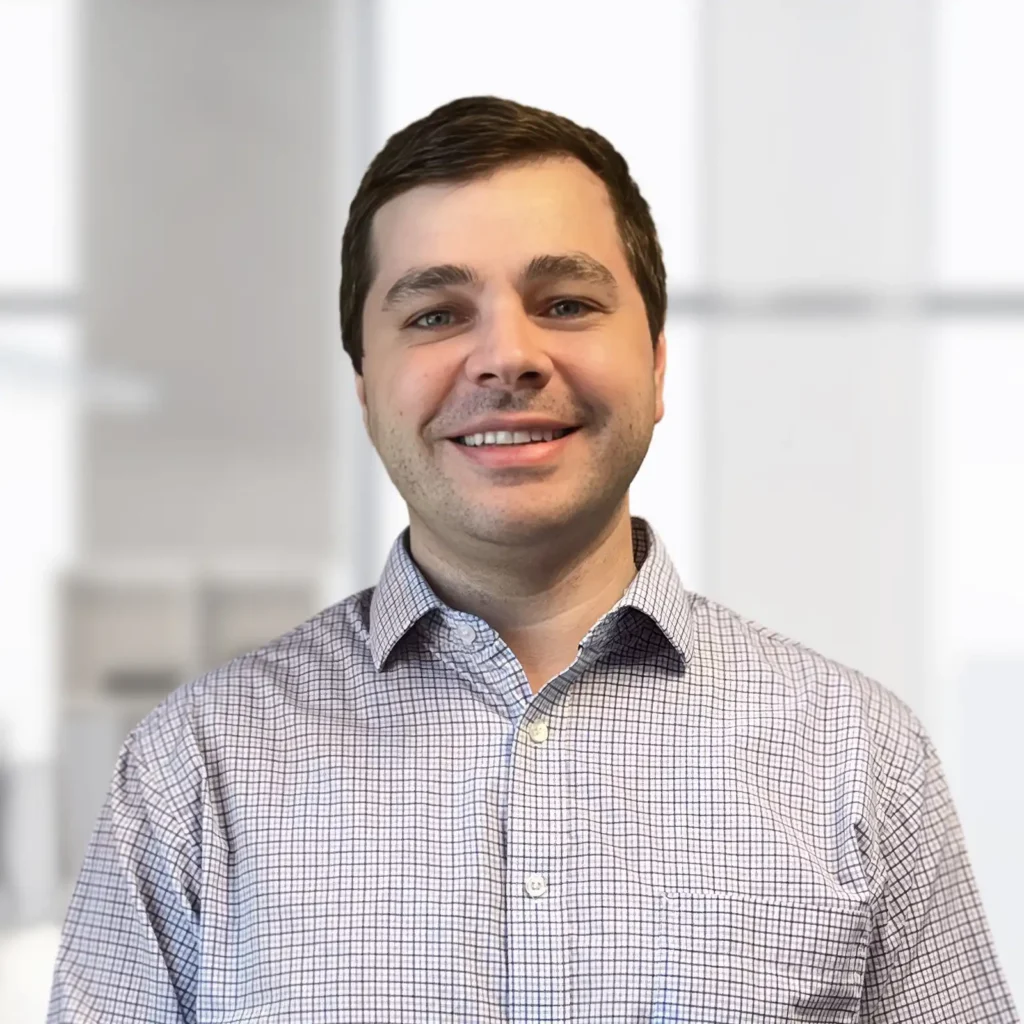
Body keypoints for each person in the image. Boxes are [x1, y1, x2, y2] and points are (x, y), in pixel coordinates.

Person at [48, 94, 1018, 1023]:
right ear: (362, 385)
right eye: (433, 314)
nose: (505, 356)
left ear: (657, 363)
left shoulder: (856, 756)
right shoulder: (193, 770)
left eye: (563, 302)